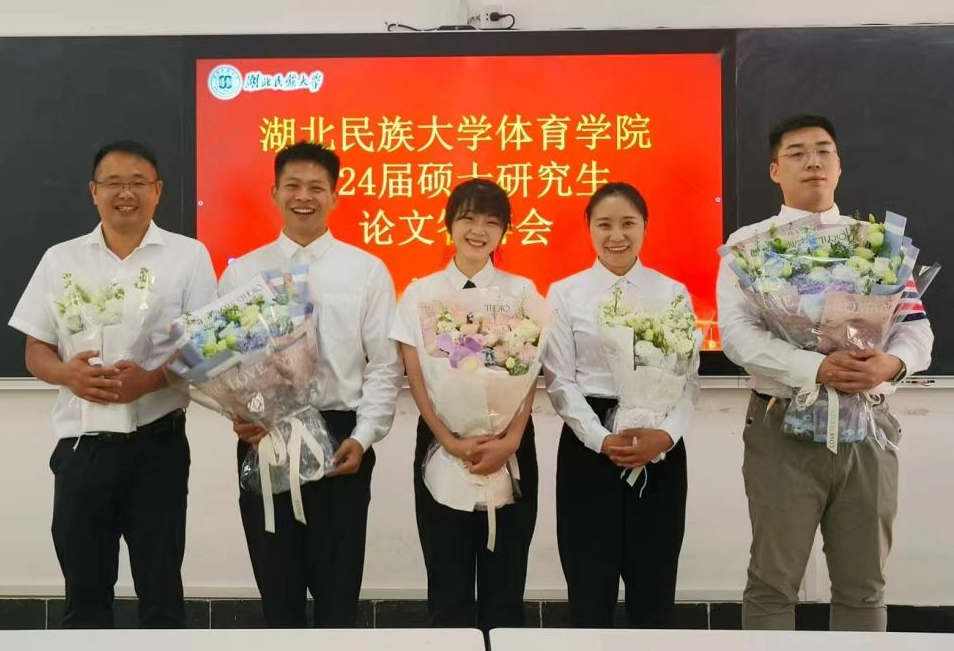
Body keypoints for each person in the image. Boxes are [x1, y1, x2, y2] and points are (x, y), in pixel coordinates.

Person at [717, 113, 934, 631]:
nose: (812, 161)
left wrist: (892, 364)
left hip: (867, 428)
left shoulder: (876, 243)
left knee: (864, 585)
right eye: (797, 153)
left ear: (838, 165)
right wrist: (816, 367)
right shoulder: (750, 247)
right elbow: (738, 337)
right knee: (773, 582)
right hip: (781, 425)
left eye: (823, 151)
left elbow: (916, 331)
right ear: (775, 170)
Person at [9, 140, 217, 628]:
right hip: (83, 446)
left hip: (158, 445)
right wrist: (70, 374)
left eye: (138, 183)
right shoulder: (61, 259)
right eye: (114, 183)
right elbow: (35, 350)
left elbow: (207, 346)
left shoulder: (188, 256)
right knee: (84, 596)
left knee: (161, 593)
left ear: (157, 190)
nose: (126, 193)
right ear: (93, 191)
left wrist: (151, 381)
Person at [219, 141, 401, 628]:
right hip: (266, 436)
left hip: (342, 441)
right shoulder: (243, 273)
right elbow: (223, 364)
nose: (304, 196)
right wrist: (240, 414)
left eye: (316, 187)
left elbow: (385, 366)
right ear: (274, 193)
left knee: (338, 595)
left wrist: (364, 436)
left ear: (335, 196)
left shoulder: (366, 271)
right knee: (277, 593)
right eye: (293, 186)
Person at [543, 182, 698, 628]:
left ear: (645, 227)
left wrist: (666, 435)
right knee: (589, 588)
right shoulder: (566, 293)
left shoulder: (672, 292)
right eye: (604, 224)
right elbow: (560, 380)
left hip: (659, 448)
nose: (617, 235)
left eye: (628, 223)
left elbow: (689, 380)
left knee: (654, 588)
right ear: (589, 229)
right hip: (589, 447)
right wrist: (600, 438)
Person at [390, 178, 539, 630]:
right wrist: (448, 440)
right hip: (441, 441)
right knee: (447, 586)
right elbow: (416, 377)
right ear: (449, 223)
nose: (479, 230)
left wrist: (511, 439)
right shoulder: (421, 293)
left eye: (492, 222)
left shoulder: (522, 291)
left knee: (505, 586)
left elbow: (529, 376)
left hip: (511, 444)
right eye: (469, 218)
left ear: (504, 231)